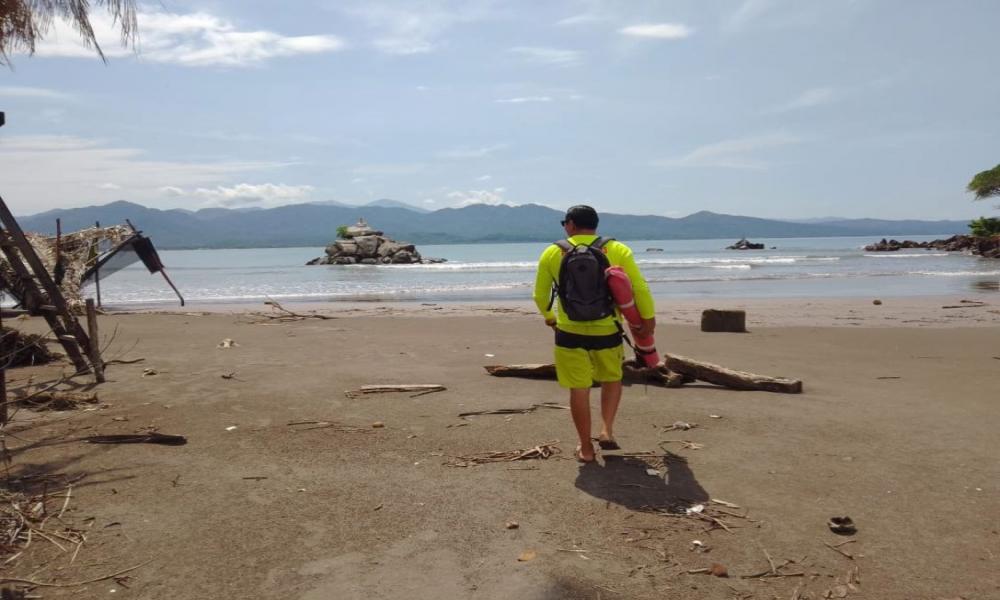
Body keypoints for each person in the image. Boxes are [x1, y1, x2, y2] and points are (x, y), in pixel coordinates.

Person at [533, 205, 656, 463]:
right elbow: (639, 287)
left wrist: (550, 318)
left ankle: (586, 448)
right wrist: (648, 319)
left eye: (564, 223)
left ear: (570, 224)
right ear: (595, 224)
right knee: (611, 379)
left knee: (579, 388)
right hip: (607, 329)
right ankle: (606, 430)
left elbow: (540, 295)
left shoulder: (552, 252)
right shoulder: (617, 249)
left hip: (569, 331)